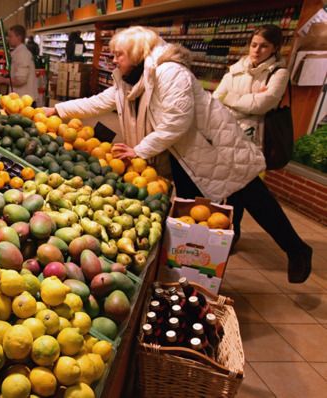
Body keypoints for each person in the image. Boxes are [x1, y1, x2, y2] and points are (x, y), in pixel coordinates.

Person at [43, 26, 312, 283]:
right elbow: (100, 101)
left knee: (254, 196)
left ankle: (296, 249)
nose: (114, 61)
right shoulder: (131, 79)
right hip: (184, 155)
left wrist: (139, 150)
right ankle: (192, 269)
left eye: (118, 55)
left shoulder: (170, 73)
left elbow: (177, 122)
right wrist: (58, 110)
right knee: (193, 211)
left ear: (137, 53)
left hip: (213, 149)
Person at [213, 25, 289, 243]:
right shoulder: (236, 68)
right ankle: (215, 227)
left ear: (274, 48)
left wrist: (233, 98)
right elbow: (217, 97)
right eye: (254, 44)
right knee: (219, 184)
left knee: (240, 190)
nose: (256, 50)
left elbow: (263, 104)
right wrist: (249, 98)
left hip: (252, 138)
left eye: (264, 46)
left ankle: (233, 231)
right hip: (225, 133)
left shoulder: (279, 73)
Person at [0, 25, 37, 103]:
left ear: (19, 37)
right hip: (21, 100)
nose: (8, 39)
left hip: (24, 101)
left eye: (11, 36)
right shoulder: (19, 52)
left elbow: (20, 79)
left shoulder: (22, 54)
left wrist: (3, 80)